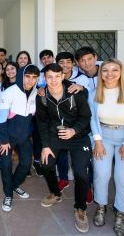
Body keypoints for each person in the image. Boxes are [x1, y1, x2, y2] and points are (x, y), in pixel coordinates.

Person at [89, 58, 124, 236]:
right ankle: (101, 206)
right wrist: (97, 141)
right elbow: (92, 118)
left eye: (115, 70)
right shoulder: (94, 93)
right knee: (102, 173)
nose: (110, 74)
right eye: (105, 70)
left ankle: (121, 213)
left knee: (123, 177)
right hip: (102, 136)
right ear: (101, 73)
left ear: (121, 72)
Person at [36, 63, 92, 233]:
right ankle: (56, 193)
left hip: (78, 137)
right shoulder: (42, 96)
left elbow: (86, 117)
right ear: (44, 78)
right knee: (45, 163)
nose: (53, 80)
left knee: (81, 173)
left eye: (57, 76)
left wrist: (74, 130)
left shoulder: (76, 92)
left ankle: (80, 208)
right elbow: (42, 122)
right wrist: (45, 146)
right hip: (56, 135)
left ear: (63, 76)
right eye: (49, 77)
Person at [0, 64, 39, 212]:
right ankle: (8, 194)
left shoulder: (35, 92)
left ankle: (14, 185)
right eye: (27, 76)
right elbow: (0, 118)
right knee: (6, 166)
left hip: (24, 136)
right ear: (21, 75)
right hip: (8, 138)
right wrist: (4, 141)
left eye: (34, 77)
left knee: (26, 164)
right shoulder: (10, 92)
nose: (30, 80)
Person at [55, 51, 90, 192]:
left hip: (79, 125)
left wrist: (82, 88)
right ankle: (63, 178)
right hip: (61, 122)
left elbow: (89, 97)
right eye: (61, 62)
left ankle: (86, 186)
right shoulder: (55, 78)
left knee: (82, 160)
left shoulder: (82, 79)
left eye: (68, 62)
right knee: (61, 153)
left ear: (73, 63)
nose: (65, 65)